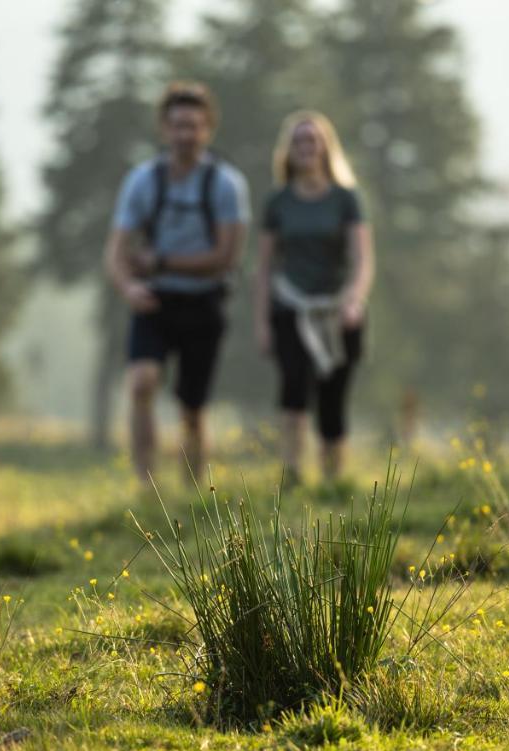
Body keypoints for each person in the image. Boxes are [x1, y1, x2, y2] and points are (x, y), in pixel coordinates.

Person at [104, 82, 250, 484]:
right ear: (164, 129)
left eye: (194, 126)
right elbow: (116, 252)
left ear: (208, 130)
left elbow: (225, 257)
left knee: (192, 406)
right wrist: (129, 287)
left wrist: (162, 261)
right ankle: (145, 486)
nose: (186, 135)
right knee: (141, 382)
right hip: (154, 300)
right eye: (178, 126)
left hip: (205, 302)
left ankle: (192, 490)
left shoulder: (226, 185)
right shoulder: (142, 181)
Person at [254, 111, 374, 484]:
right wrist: (261, 322)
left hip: (337, 309)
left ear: (325, 149)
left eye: (313, 141)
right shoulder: (278, 203)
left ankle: (332, 481)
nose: (306, 148)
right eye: (299, 142)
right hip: (292, 307)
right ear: (288, 151)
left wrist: (354, 300)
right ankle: (291, 475)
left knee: (332, 399)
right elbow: (264, 267)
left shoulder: (346, 199)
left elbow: (362, 258)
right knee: (293, 390)